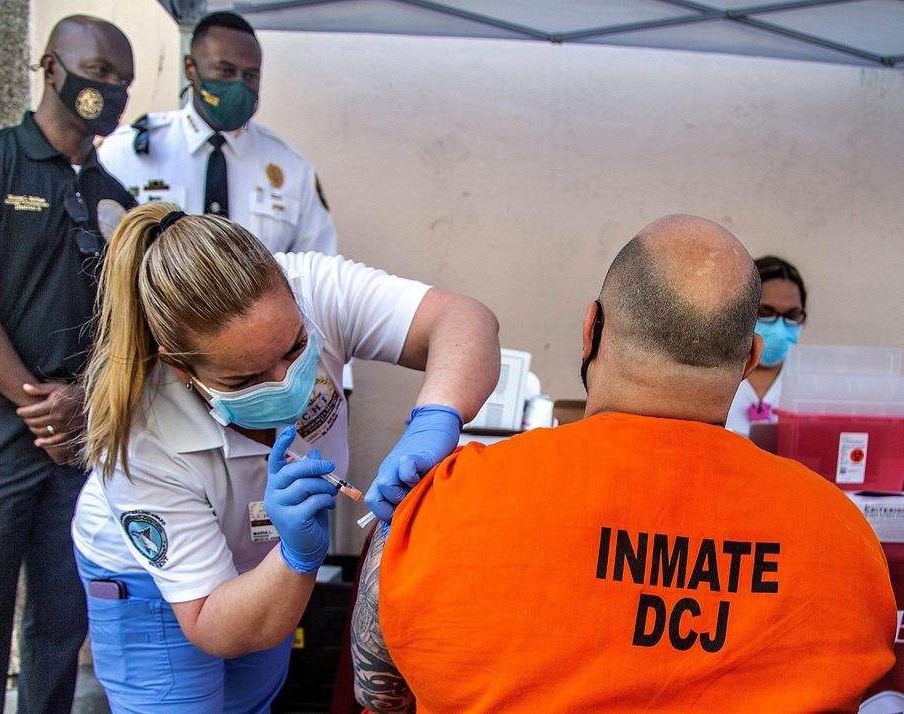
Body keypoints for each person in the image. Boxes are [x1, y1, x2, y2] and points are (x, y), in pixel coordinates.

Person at [351, 215, 895, 713]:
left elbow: (378, 694)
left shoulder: (444, 502)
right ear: (751, 356)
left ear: (591, 329)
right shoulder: (841, 536)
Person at [70, 201, 499, 712]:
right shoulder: (141, 436)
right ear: (181, 369)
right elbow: (213, 624)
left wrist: (436, 417)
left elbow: (463, 319)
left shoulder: (313, 287)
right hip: (157, 587)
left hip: (264, 569)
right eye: (244, 380)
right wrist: (295, 556)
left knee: (253, 700)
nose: (284, 384)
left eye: (295, 348)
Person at [0, 16, 136, 713]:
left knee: (61, 620)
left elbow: (129, 324)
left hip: (79, 431)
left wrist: (82, 401)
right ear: (50, 67)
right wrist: (37, 399)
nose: (110, 89)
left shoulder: (117, 200)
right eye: (98, 71)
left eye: (122, 80)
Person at [97, 11, 336, 255]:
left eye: (250, 75)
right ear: (190, 68)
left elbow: (319, 268)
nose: (239, 85)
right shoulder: (125, 154)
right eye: (225, 71)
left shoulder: (291, 168)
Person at [726, 255, 807, 436]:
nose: (779, 327)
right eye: (765, 312)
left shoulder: (809, 387)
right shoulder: (716, 379)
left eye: (792, 315)